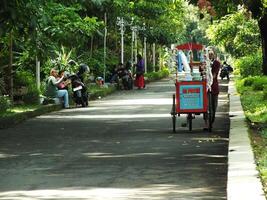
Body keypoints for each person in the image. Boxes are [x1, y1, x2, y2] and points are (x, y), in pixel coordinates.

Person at [204, 50, 221, 130]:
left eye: (211, 54)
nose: (210, 55)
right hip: (206, 87)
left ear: (214, 55)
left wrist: (210, 80)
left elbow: (215, 74)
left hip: (214, 87)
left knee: (214, 107)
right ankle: (207, 123)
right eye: (209, 54)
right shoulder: (204, 63)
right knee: (206, 106)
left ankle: (211, 122)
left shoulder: (217, 63)